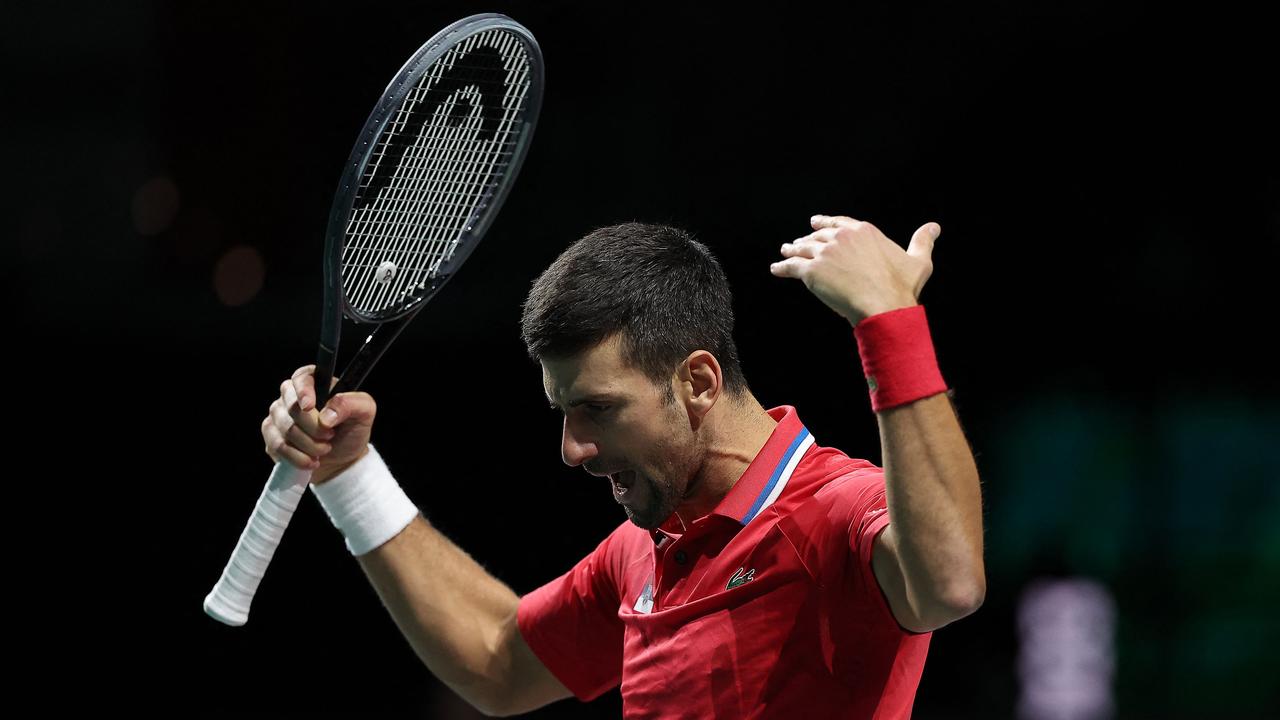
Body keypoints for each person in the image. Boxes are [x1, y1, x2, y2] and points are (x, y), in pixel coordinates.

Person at [262, 215, 985, 718]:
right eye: (564, 414)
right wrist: (348, 473)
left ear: (698, 382)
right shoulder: (640, 552)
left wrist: (888, 320)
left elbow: (949, 583)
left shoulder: (834, 513)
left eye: (598, 410)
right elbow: (497, 661)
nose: (572, 450)